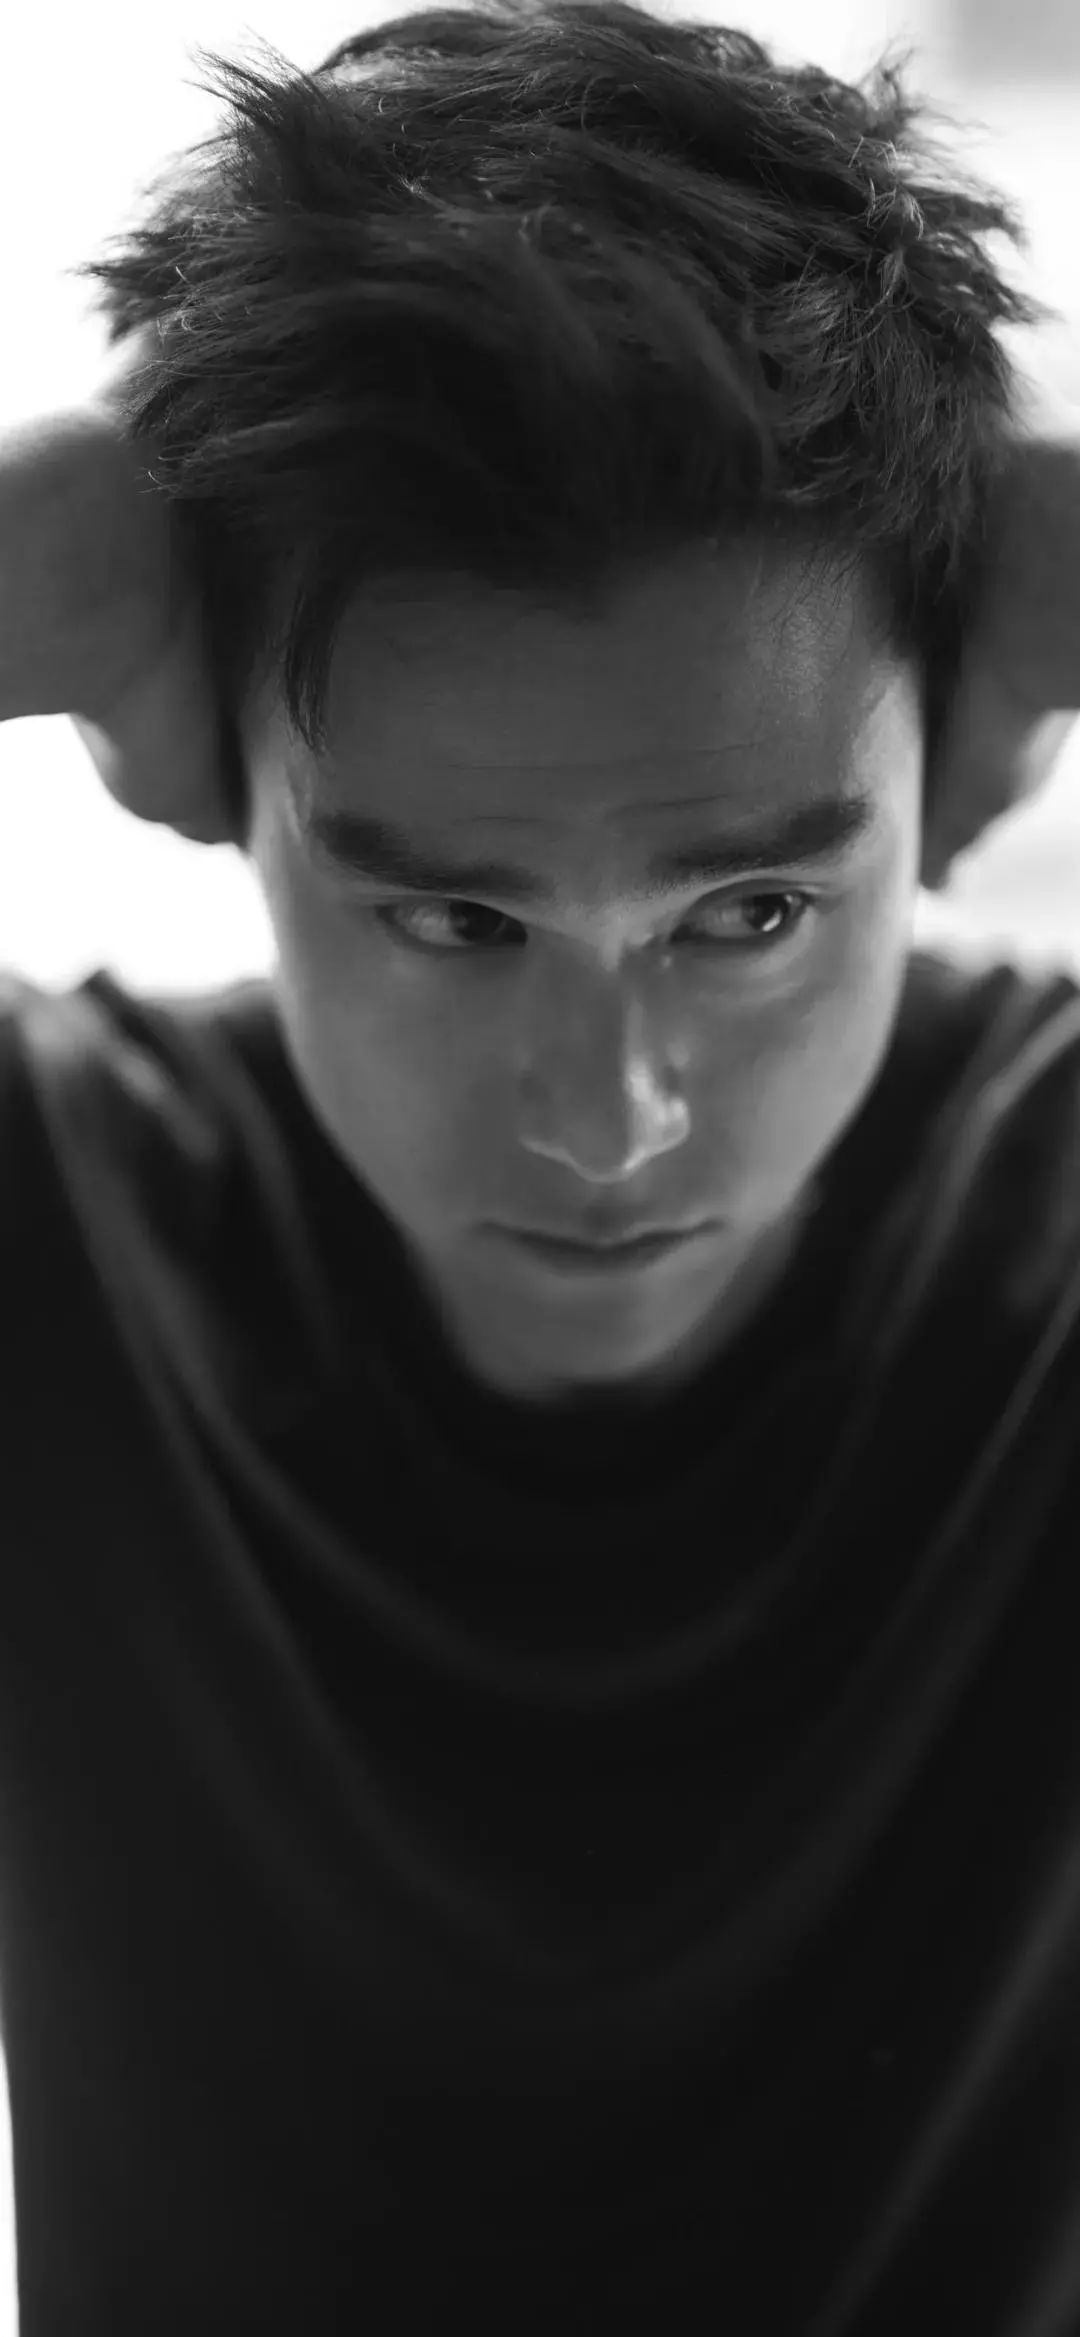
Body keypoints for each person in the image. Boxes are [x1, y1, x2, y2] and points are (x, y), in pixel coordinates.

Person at [3, 3, 1080, 2329]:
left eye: (750, 915)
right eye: (459, 923)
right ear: (220, 794)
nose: (609, 1118)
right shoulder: (63, 1224)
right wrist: (40, 555)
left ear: (955, 768)